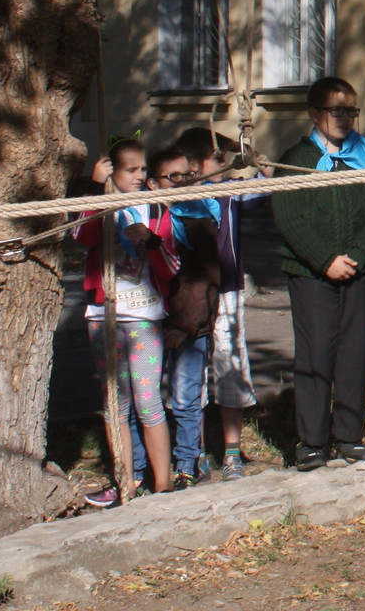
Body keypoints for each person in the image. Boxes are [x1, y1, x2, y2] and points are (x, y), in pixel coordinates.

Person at [272, 76, 365, 471]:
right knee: (315, 354)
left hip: (361, 273)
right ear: (314, 113)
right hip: (311, 274)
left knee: (355, 352)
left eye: (351, 111)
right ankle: (311, 441)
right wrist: (325, 259)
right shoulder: (297, 160)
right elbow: (289, 218)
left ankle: (349, 435)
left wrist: (357, 255)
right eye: (336, 110)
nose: (345, 118)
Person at [76, 139, 178, 504]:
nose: (139, 176)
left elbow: (171, 264)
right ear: (112, 172)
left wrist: (151, 241)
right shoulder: (102, 204)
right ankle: (126, 481)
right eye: (130, 170)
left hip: (144, 316)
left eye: (143, 169)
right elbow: (81, 236)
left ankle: (162, 484)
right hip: (105, 315)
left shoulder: (155, 207)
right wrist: (94, 189)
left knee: (148, 402)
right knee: (114, 402)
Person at [175, 126, 266, 480]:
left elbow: (269, 182)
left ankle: (231, 453)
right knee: (187, 373)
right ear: (195, 166)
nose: (226, 163)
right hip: (184, 295)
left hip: (226, 291)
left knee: (230, 367)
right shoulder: (175, 197)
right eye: (219, 157)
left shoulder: (230, 192)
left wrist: (251, 153)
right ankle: (191, 452)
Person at [148, 142, 219, 489]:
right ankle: (148, 463)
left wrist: (187, 326)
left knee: (185, 395)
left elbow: (204, 280)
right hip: (153, 318)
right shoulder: (151, 214)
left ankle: (187, 462)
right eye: (171, 177)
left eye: (186, 175)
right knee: (149, 395)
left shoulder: (198, 216)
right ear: (154, 182)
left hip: (190, 324)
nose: (180, 182)